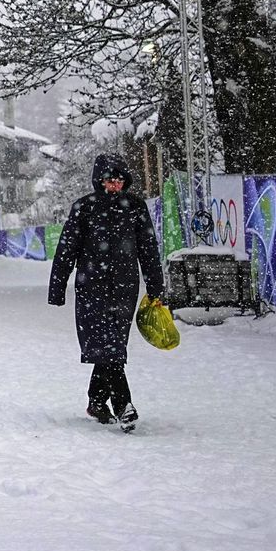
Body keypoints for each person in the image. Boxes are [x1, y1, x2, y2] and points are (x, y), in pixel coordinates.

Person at [47, 153, 165, 432]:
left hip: (124, 289)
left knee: (112, 346)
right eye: (110, 180)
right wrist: (57, 288)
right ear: (99, 181)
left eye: (120, 180)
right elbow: (66, 250)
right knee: (108, 346)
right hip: (91, 288)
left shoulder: (135, 207)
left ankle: (97, 400)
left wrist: (156, 286)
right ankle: (124, 404)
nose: (115, 185)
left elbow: (148, 249)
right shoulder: (84, 208)